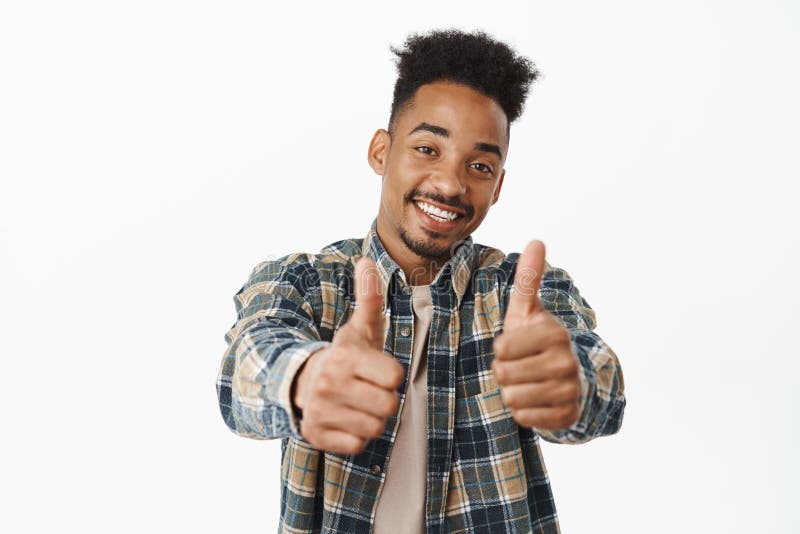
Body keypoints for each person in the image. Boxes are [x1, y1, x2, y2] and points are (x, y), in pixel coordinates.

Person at [215, 28, 625, 534]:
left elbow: (599, 379)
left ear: (498, 187)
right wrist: (304, 380)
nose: (451, 184)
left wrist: (573, 384)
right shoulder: (306, 280)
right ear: (381, 152)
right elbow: (245, 365)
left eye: (478, 165)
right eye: (428, 148)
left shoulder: (524, 292)